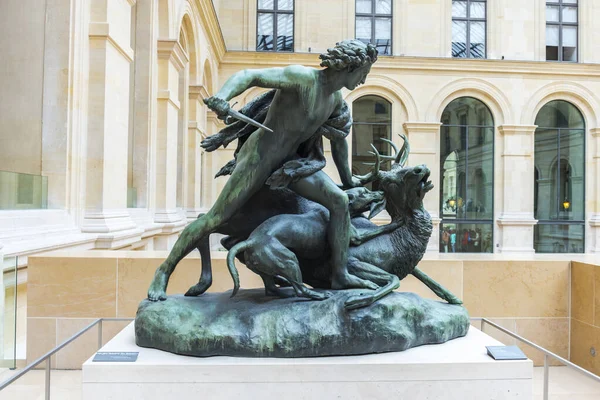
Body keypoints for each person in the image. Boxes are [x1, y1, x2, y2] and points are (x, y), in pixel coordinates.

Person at [147, 40, 379, 301]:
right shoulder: (303, 78)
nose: (364, 79)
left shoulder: (335, 101)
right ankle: (164, 271)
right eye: (364, 73)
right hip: (259, 158)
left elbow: (339, 143)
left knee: (339, 201)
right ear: (350, 66)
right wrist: (223, 97)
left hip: (291, 165)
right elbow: (250, 75)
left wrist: (348, 181)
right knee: (215, 219)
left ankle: (339, 274)